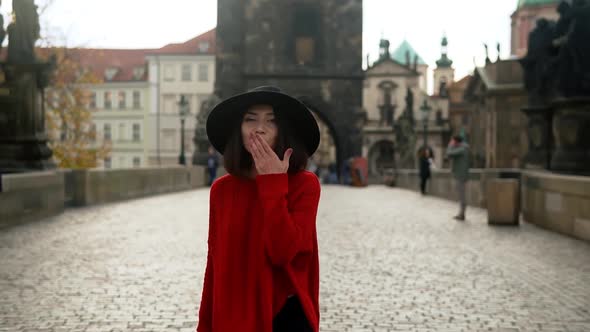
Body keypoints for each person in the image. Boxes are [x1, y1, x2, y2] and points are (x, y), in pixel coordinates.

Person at [197, 86, 321, 332]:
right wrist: (204, 327)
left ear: (283, 132)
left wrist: (273, 184)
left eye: (271, 122)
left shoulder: (304, 185)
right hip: (233, 318)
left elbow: (282, 253)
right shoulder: (222, 190)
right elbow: (215, 265)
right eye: (250, 119)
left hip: (284, 316)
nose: (259, 128)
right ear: (239, 130)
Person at [446, 135, 470, 221]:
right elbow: (449, 156)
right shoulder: (462, 148)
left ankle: (462, 214)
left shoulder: (463, 149)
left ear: (456, 142)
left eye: (453, 141)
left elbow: (449, 153)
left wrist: (450, 145)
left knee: (462, 195)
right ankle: (461, 213)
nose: (452, 143)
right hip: (460, 174)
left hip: (461, 175)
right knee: (461, 195)